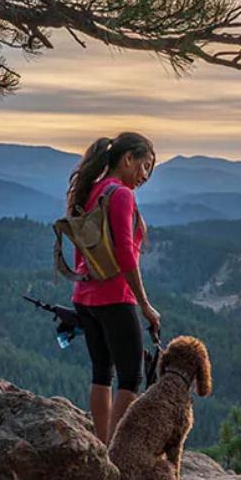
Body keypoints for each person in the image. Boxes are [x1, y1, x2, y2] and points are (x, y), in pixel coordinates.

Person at [65, 132, 160, 445]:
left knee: (101, 373)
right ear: (128, 159)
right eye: (145, 166)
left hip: (85, 296)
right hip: (115, 297)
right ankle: (116, 452)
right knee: (131, 378)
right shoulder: (120, 194)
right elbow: (124, 256)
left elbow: (83, 248)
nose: (145, 175)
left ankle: (103, 448)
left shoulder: (90, 190)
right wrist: (144, 304)